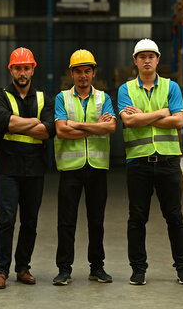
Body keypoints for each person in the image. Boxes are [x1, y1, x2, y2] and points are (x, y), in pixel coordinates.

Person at [118, 38, 183, 285]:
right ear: (135, 61)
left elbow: (179, 122)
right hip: (138, 163)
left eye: (151, 56)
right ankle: (138, 269)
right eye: (142, 56)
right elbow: (129, 122)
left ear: (158, 59)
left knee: (174, 216)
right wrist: (163, 113)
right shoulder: (125, 90)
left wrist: (146, 117)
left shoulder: (171, 87)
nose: (147, 60)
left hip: (168, 161)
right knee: (137, 217)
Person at [0, 47, 55, 289]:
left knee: (30, 221)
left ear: (32, 69)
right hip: (7, 168)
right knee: (6, 219)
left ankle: (22, 268)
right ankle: (1, 271)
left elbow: (48, 130)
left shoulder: (44, 98)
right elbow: (3, 122)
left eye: (26, 68)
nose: (22, 72)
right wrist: (34, 122)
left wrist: (17, 125)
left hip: (34, 169)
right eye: (18, 68)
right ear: (11, 70)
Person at [52, 49, 116, 286]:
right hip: (70, 167)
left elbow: (110, 128)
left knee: (96, 220)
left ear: (93, 73)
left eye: (87, 71)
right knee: (66, 221)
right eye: (78, 71)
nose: (82, 76)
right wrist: (93, 126)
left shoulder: (104, 98)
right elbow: (60, 130)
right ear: (71, 73)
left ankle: (97, 267)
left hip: (97, 167)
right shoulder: (62, 98)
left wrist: (75, 125)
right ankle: (64, 269)